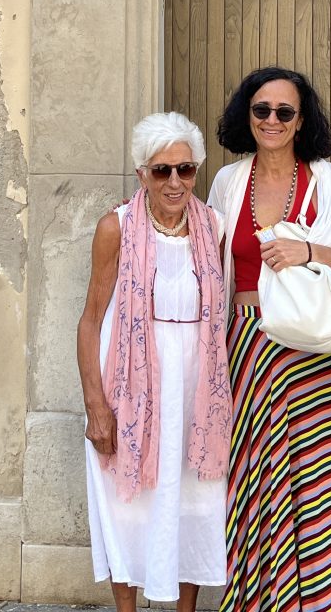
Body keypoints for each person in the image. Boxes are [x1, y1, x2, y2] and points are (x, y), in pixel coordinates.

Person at [208, 68, 331, 612]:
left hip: (317, 356)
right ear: (248, 115)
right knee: (259, 476)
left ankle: (326, 600)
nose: (272, 120)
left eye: (284, 112)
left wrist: (309, 252)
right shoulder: (227, 183)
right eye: (261, 110)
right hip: (248, 347)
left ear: (301, 120)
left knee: (322, 481)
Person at [77, 112, 231, 612]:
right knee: (131, 510)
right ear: (141, 173)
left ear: (196, 172)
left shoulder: (214, 226)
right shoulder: (115, 227)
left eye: (184, 170)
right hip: (129, 391)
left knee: (196, 505)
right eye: (161, 170)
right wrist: (96, 406)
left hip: (196, 393)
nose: (173, 182)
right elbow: (91, 321)